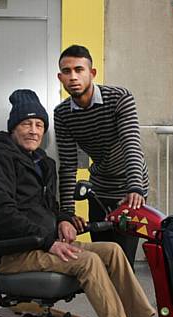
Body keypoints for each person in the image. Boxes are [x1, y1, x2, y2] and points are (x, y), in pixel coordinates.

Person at [0, 89, 168, 317]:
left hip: (40, 243)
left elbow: (46, 209)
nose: (34, 131)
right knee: (87, 261)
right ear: (13, 127)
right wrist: (48, 241)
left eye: (39, 125)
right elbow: (1, 214)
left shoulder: (41, 162)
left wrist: (63, 220)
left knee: (112, 250)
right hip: (13, 252)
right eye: (26, 124)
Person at [54, 45, 149, 267]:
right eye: (66, 72)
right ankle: (108, 303)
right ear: (60, 77)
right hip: (98, 189)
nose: (73, 77)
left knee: (123, 263)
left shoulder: (119, 98)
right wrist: (67, 214)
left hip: (129, 189)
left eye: (79, 70)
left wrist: (135, 187)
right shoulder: (62, 114)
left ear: (92, 73)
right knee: (102, 259)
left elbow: (131, 144)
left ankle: (127, 303)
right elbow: (68, 165)